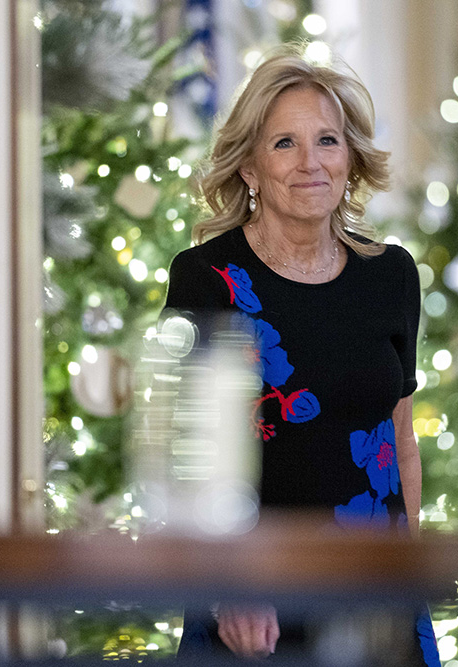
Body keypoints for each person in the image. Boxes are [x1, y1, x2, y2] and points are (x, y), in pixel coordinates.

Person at [162, 44, 440, 666]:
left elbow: (399, 434)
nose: (309, 163)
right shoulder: (206, 278)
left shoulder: (391, 275)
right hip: (253, 606)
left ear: (351, 160)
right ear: (250, 168)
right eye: (284, 143)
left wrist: (408, 564)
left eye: (327, 141)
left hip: (377, 599)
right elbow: (187, 457)